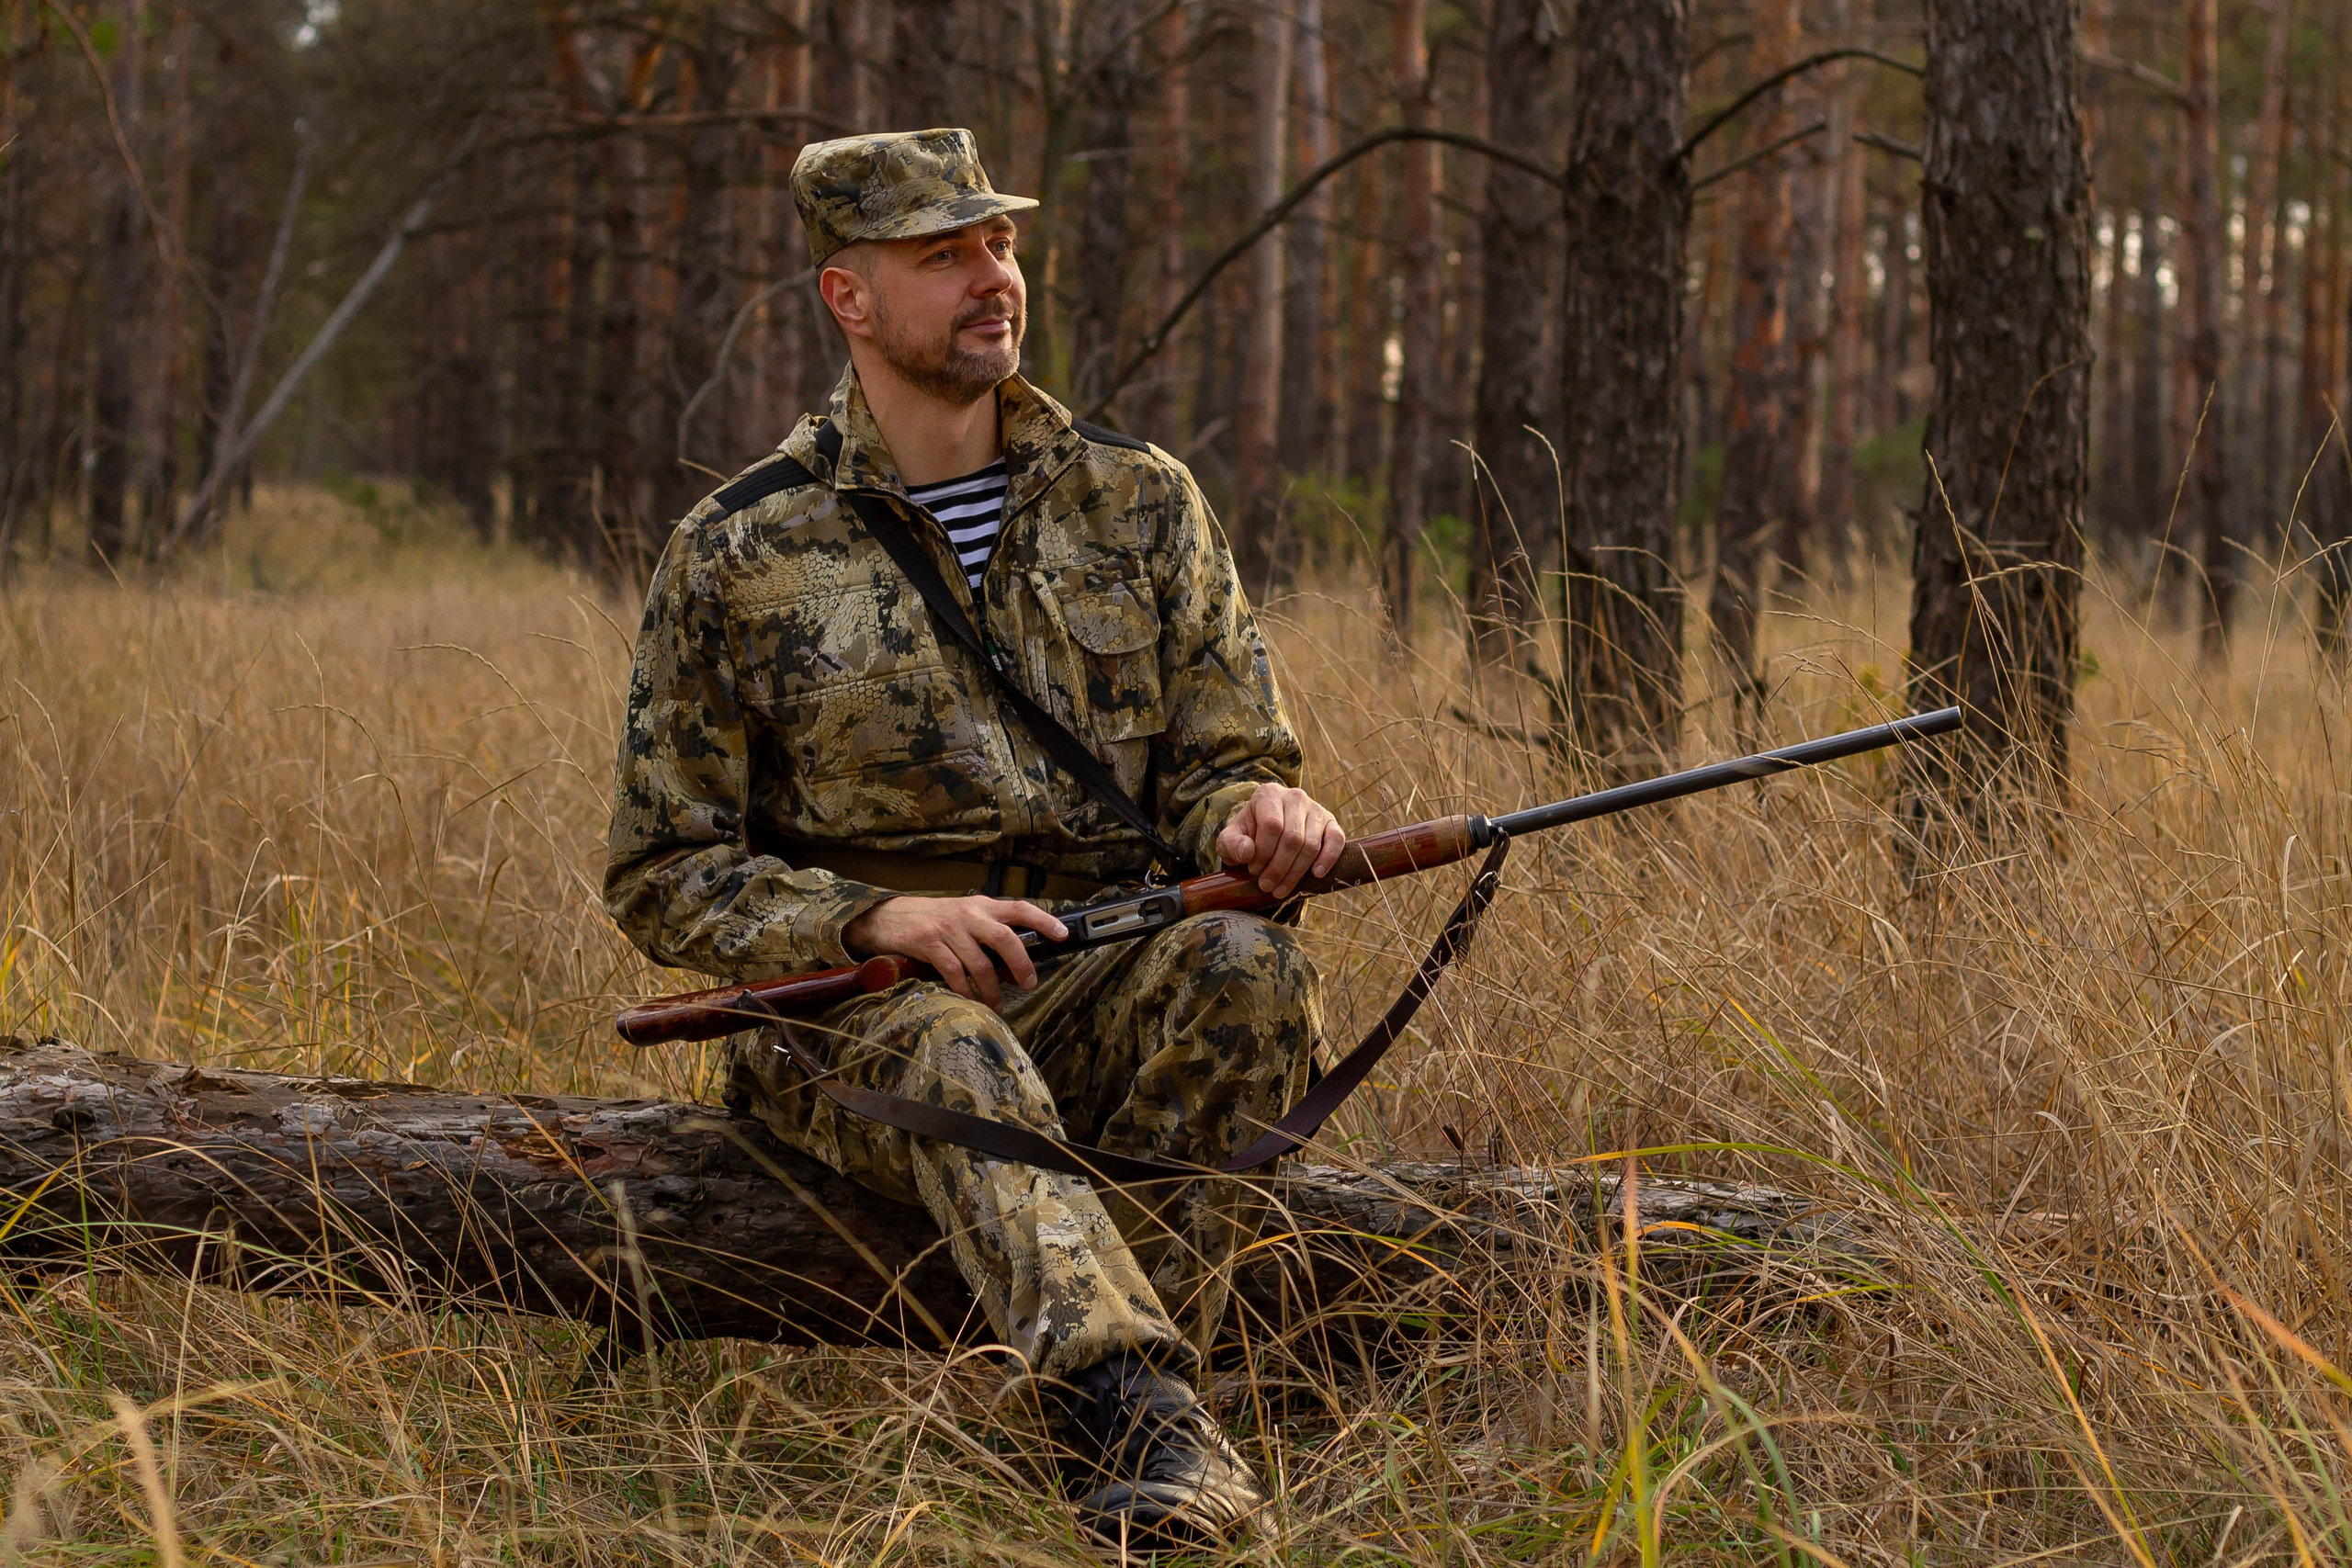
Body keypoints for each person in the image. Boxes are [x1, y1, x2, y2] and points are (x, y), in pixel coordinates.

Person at [603, 127, 1343, 1552]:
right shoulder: (742, 548)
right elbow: (662, 866)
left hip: (1102, 959)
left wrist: (1260, 814)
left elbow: (1222, 760)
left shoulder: (1140, 501)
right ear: (850, 298)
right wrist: (873, 925)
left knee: (1249, 970)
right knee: (953, 1044)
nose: (992, 276)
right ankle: (1137, 1422)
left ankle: (1110, 1374)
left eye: (998, 243)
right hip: (852, 1015)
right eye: (943, 254)